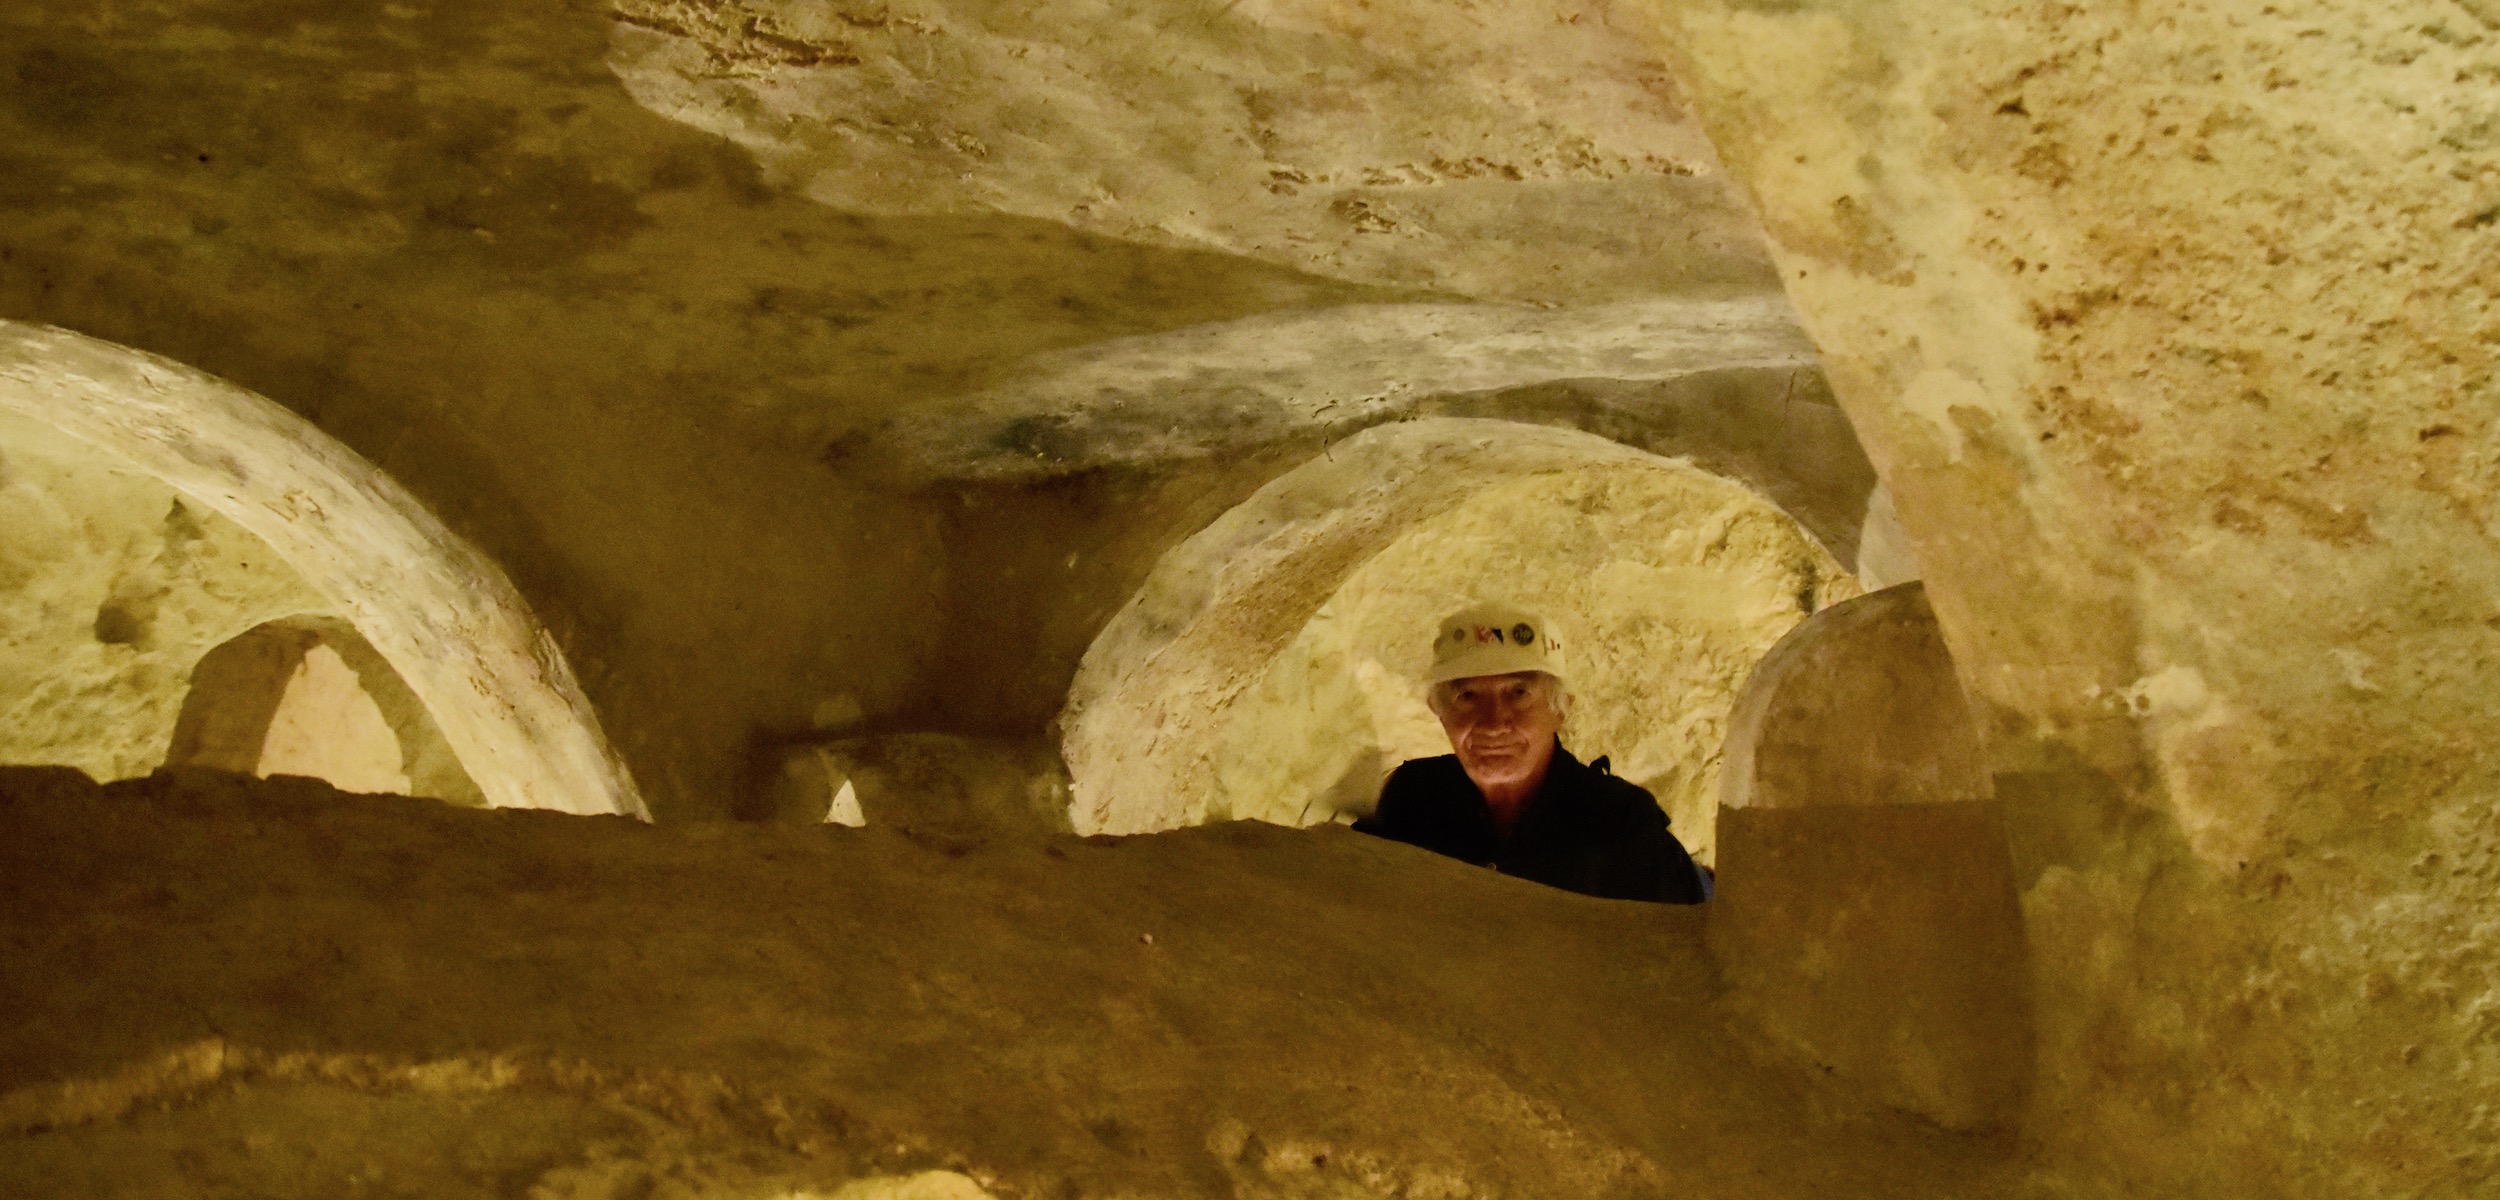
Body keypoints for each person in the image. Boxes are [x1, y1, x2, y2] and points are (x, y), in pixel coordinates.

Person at [1353, 603, 1710, 904]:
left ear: (1560, 708)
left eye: (1518, 693)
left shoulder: (1618, 826)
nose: (1493, 723)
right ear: (1438, 710)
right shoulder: (1415, 799)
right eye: (1467, 696)